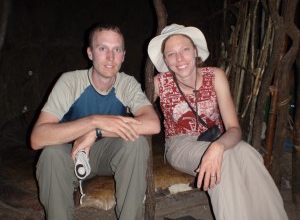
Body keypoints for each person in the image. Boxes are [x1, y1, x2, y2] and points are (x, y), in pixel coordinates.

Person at [147, 23, 289, 220]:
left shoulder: (215, 76)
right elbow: (135, 108)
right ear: (165, 60)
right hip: (180, 144)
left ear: (195, 51)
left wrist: (217, 146)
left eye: (185, 50)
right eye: (171, 54)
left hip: (218, 139)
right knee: (226, 161)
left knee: (249, 154)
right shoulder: (159, 83)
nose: (179, 59)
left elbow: (234, 129)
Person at [30, 23, 161, 220]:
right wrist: (93, 121)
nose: (110, 57)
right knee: (50, 154)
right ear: (90, 53)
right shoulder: (70, 82)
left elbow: (153, 124)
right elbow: (37, 138)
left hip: (106, 154)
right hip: (70, 154)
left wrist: (97, 132)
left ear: (123, 55)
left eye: (116, 49)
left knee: (137, 143)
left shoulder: (127, 84)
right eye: (102, 48)